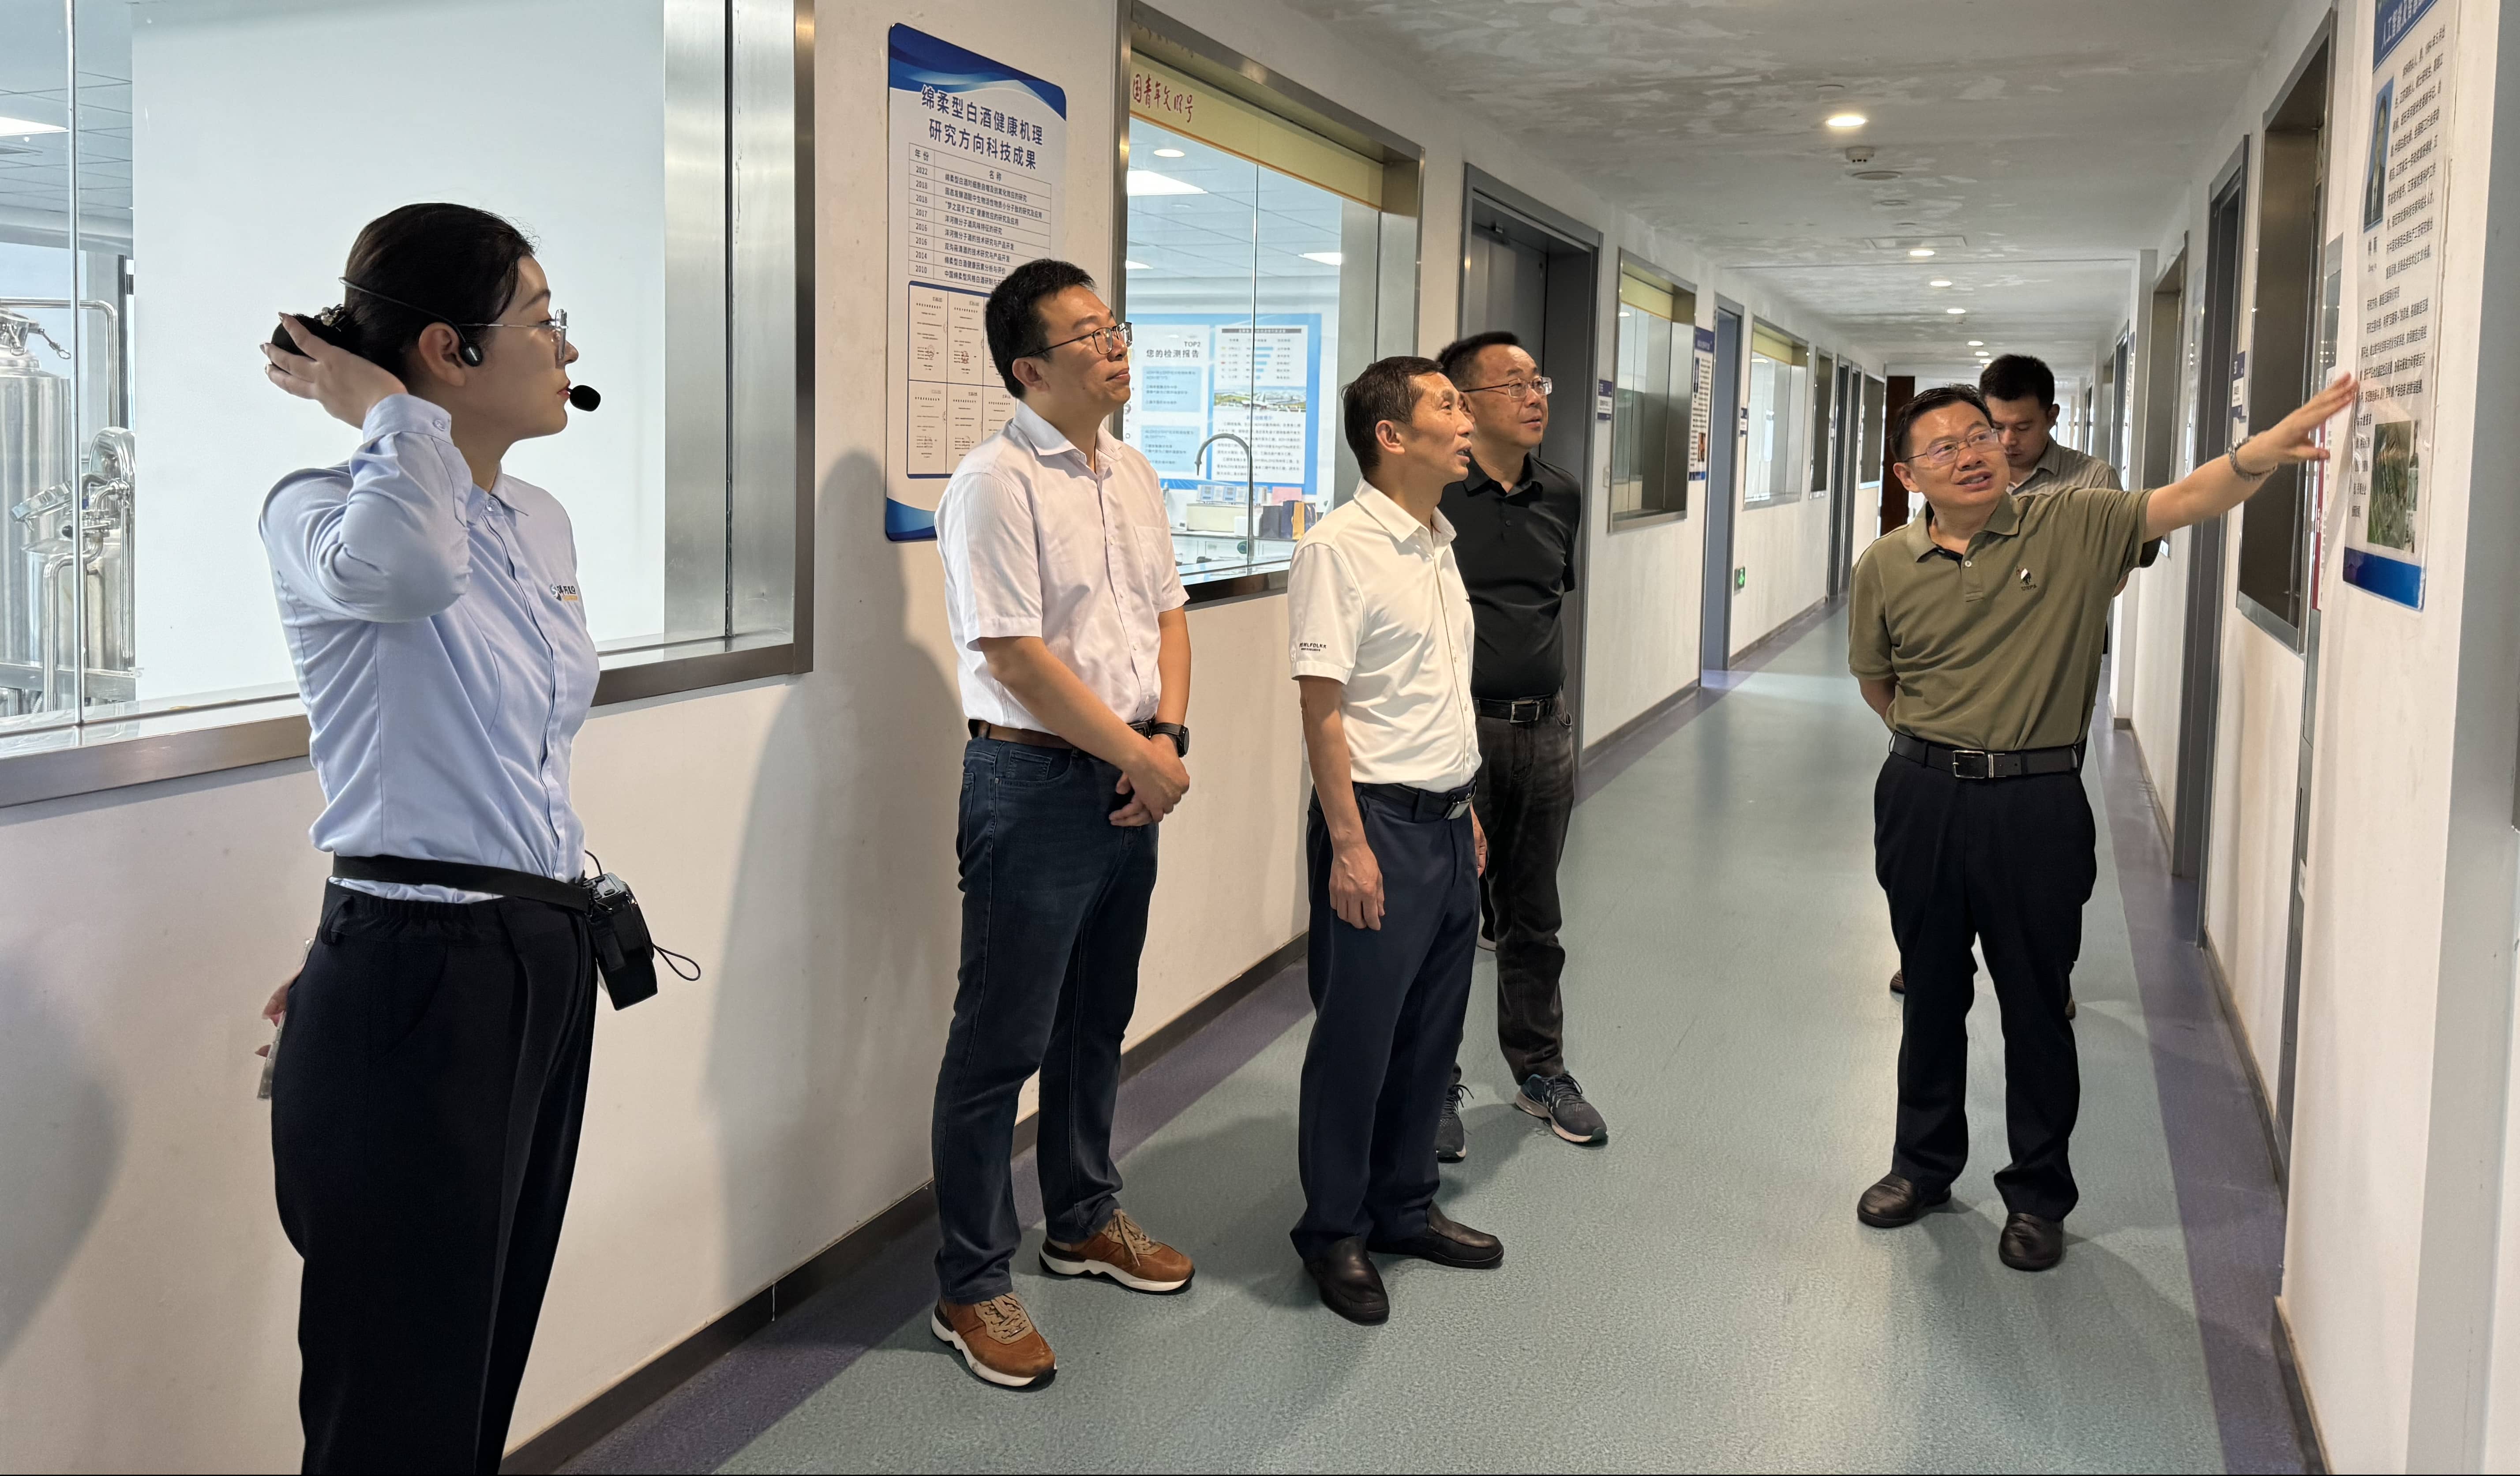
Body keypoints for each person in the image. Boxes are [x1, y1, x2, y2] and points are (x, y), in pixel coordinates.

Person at [1848, 372, 2356, 1272]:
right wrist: (1941, 748)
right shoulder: (1885, 564)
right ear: (1907, 474)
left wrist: (2260, 454)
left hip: (2036, 801)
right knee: (1929, 990)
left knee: (2036, 1003)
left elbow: (2186, 498)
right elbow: (1877, 681)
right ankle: (1922, 1166)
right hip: (1921, 798)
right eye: (1945, 446)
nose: (1973, 454)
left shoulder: (2074, 522)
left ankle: (2037, 1195)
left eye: (1981, 436)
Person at [256, 203, 602, 1472]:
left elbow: (515, 757)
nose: (566, 347)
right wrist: (385, 414)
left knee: (485, 1330)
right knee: (395, 1372)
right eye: (543, 320)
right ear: (450, 350)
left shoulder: (538, 521)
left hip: (539, 951)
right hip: (418, 963)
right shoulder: (319, 509)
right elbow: (406, 573)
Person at [927, 259, 1197, 1389]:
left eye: (1114, 325)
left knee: (1097, 1018)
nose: (1114, 345)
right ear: (1029, 368)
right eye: (1088, 334)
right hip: (1033, 783)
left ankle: (1082, 1216)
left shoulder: (1129, 468)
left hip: (1133, 774)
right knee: (1001, 1040)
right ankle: (970, 1281)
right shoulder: (994, 482)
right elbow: (1014, 657)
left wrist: (1164, 738)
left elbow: (1169, 615)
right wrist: (1137, 756)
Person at [1288, 355, 1505, 1324]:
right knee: (1357, 1040)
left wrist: (1468, 809)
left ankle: (1405, 1206)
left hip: (1448, 822)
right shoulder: (1340, 548)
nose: (1468, 421)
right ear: (1391, 435)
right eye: (1448, 406)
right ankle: (1334, 1231)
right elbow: (1323, 709)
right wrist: (1348, 844)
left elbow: (1435, 693)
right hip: (1375, 825)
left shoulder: (1436, 541)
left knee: (1430, 1036)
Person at [1885, 353, 2146, 1005]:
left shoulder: (2089, 482)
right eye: (1993, 425)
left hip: (2046, 683)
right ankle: (1930, 958)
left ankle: (2047, 970)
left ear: (2051, 417)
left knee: (2042, 856)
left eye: (2021, 427)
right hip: (1957, 688)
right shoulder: (1963, 479)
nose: (2004, 441)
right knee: (1936, 840)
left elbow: (2109, 574)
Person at [1428, 331, 1605, 1159]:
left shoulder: (1561, 494)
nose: (1535, 397)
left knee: (1534, 916)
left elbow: (1547, 603)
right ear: (1463, 403)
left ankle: (1541, 1070)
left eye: (1540, 381)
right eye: (1514, 384)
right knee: (1447, 919)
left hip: (1546, 731)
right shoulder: (1432, 497)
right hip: (1455, 735)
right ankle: (1433, 1085)